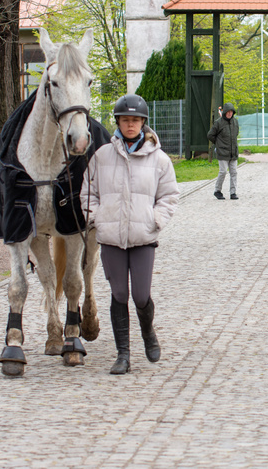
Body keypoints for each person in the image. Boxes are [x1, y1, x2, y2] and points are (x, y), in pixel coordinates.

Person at [81, 94, 180, 374]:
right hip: (111, 237)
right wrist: (97, 219)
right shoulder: (101, 156)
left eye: (135, 120)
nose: (130, 125)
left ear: (143, 123)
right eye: (125, 120)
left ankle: (148, 331)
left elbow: (169, 195)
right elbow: (88, 192)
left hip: (143, 238)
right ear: (118, 122)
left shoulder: (159, 160)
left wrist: (156, 219)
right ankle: (122, 354)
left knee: (140, 295)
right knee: (119, 293)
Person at [207, 102, 240, 200]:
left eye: (231, 112)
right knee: (223, 172)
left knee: (234, 172)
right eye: (228, 112)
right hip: (222, 152)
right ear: (225, 112)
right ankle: (217, 191)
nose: (230, 114)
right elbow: (210, 135)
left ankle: (233, 193)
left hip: (233, 152)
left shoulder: (235, 122)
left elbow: (235, 134)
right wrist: (218, 143)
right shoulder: (219, 122)